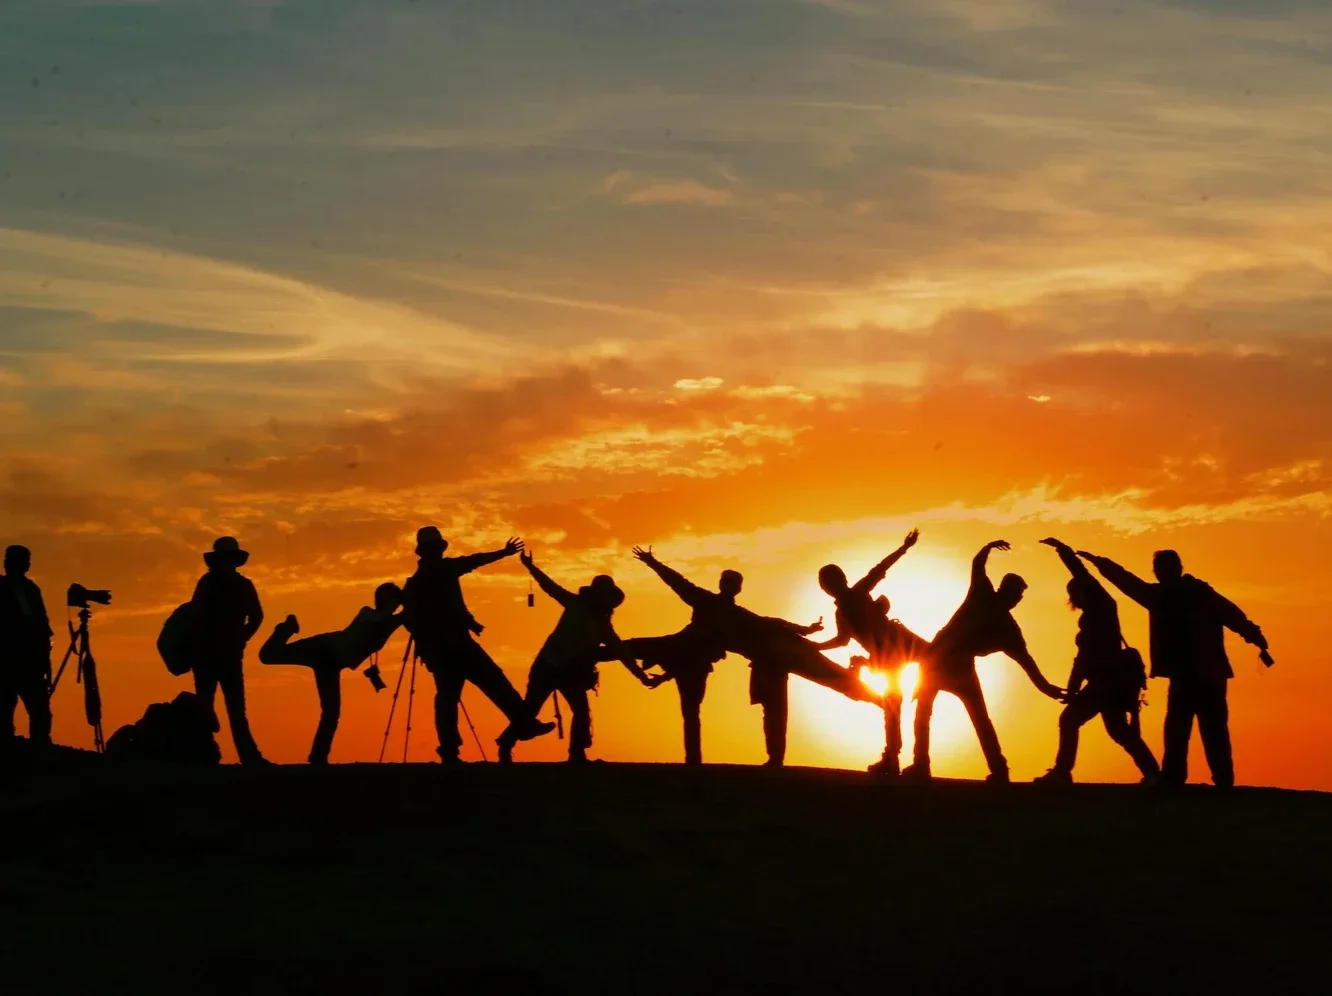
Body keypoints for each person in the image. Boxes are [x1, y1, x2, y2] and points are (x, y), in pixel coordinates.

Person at [630, 546, 868, 767]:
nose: (728, 586)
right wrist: (653, 562)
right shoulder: (704, 601)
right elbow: (677, 582)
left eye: (731, 583)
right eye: (725, 581)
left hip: (753, 659)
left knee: (772, 706)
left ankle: (765, 760)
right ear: (721, 584)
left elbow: (771, 623)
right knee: (638, 654)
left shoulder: (738, 614)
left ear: (737, 589)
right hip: (700, 653)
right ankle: (706, 762)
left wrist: (805, 630)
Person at [1078, 547, 1271, 789]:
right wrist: (1255, 636)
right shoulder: (1194, 593)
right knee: (1201, 730)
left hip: (1195, 675)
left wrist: (1100, 563)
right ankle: (1213, 781)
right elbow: (1234, 616)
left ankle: (1183, 779)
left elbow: (1127, 581)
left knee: (1186, 729)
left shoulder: (1163, 596)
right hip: (1204, 674)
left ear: (1167, 571)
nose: (1165, 573)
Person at [905, 540, 1063, 784]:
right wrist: (988, 547)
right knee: (926, 714)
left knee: (976, 718)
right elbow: (977, 564)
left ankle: (997, 770)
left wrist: (1047, 688)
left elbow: (1027, 662)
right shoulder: (983, 595)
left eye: (1019, 596)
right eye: (1015, 594)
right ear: (1004, 590)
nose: (1017, 599)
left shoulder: (1007, 629)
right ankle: (921, 765)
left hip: (956, 667)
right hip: (938, 661)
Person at [399, 527, 554, 763]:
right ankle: (522, 725)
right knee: (491, 684)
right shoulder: (442, 571)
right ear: (432, 550)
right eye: (436, 548)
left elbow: (411, 620)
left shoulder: (415, 584)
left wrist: (436, 640)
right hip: (456, 647)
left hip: (444, 649)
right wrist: (504, 553)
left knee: (451, 698)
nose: (437, 552)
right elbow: (474, 562)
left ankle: (452, 750)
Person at [498, 553, 655, 763]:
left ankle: (577, 754)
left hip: (570, 672)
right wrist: (530, 567)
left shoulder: (603, 627)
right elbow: (549, 587)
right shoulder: (575, 604)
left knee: (581, 712)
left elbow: (622, 653)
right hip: (547, 666)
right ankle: (506, 744)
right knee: (530, 709)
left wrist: (641, 677)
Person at [1032, 539, 1159, 785]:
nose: (1075, 598)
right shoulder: (1094, 615)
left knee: (1070, 721)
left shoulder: (1103, 608)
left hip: (1105, 682)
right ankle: (1154, 773)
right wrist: (1073, 688)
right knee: (1119, 731)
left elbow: (1083, 575)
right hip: (1106, 682)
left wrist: (1064, 552)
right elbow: (1081, 660)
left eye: (1076, 592)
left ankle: (1062, 772)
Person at [814, 528, 932, 776]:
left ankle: (906, 759)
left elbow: (880, 569)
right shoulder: (842, 612)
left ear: (840, 581)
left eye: (831, 582)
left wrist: (904, 547)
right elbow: (842, 640)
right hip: (887, 655)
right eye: (827, 584)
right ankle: (893, 758)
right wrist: (816, 646)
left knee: (935, 666)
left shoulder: (857, 593)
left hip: (897, 644)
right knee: (893, 705)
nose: (830, 587)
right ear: (826, 588)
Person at [259, 582, 405, 764]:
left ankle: (318, 757)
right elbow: (381, 617)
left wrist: (408, 598)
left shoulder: (389, 621)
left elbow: (406, 616)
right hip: (323, 647)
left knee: (331, 711)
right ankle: (286, 629)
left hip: (331, 661)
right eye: (382, 596)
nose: (382, 600)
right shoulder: (368, 612)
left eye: (387, 597)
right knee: (267, 656)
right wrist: (399, 599)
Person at [190, 536, 269, 766]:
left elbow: (256, 617)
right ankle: (206, 756)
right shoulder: (216, 584)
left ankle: (245, 757)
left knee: (231, 709)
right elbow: (256, 617)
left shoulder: (225, 584)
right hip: (211, 654)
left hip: (224, 655)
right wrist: (241, 637)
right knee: (210, 707)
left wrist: (241, 638)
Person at [0, 545, 53, 750]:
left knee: (8, 709)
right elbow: (36, 625)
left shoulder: (27, 589)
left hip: (21, 661)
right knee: (37, 710)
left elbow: (40, 626)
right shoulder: (23, 589)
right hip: (21, 662)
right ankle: (36, 750)